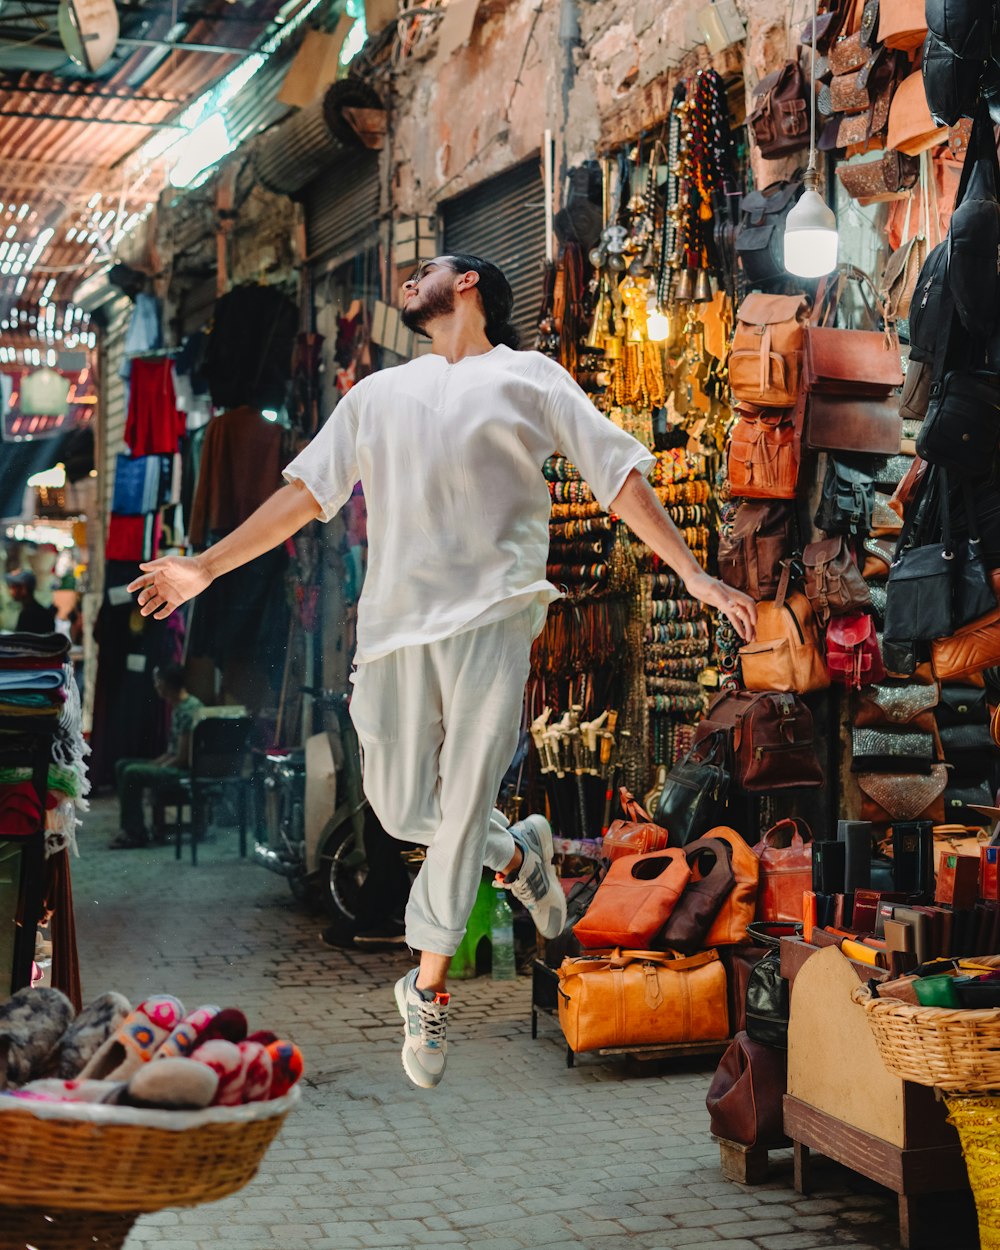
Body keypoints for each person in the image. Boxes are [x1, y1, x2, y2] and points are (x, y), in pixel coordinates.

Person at [127, 255, 757, 1088]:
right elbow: (306, 494)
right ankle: (520, 855)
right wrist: (205, 567)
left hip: (496, 614)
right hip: (392, 629)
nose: (409, 278)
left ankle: (427, 988)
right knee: (400, 805)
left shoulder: (529, 376)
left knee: (461, 796)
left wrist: (691, 573)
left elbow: (616, 475)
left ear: (468, 287)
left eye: (427, 267)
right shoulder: (377, 396)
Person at [110, 663, 203, 849]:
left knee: (131, 773)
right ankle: (132, 828)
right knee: (123, 765)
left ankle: (134, 833)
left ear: (167, 684)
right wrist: (155, 764)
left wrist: (158, 767)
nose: (156, 686)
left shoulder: (189, 709)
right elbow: (171, 752)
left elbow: (183, 758)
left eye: (158, 682)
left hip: (184, 772)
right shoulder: (179, 707)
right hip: (176, 764)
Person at [5, 570, 56, 634]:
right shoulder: (44, 613)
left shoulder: (27, 615)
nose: (10, 591)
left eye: (13, 587)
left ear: (23, 589)